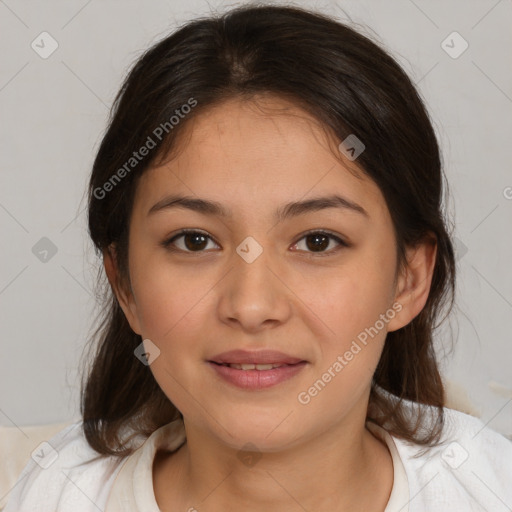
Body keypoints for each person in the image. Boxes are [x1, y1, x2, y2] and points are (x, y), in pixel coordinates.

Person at [4, 4, 511, 512]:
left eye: (317, 241)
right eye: (194, 241)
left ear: (409, 280)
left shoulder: (490, 487)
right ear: (125, 284)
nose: (250, 306)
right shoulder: (53, 494)